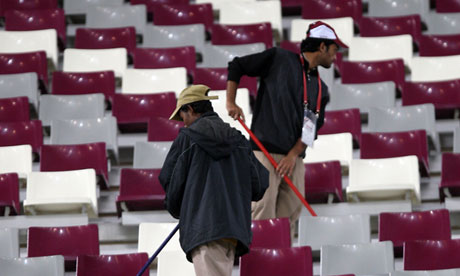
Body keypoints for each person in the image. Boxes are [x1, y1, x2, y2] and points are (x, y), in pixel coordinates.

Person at [226, 21, 348, 235]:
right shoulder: (278, 58)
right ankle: (259, 262)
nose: (335, 56)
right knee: (262, 208)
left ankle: (282, 261)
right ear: (322, 47)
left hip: (294, 159)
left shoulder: (321, 89)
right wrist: (231, 102)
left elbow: (310, 130)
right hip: (263, 152)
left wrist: (292, 156)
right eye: (334, 49)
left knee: (291, 212)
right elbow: (237, 66)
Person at [159, 84, 269, 276]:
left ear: (190, 109)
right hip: (233, 231)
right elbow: (259, 184)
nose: (183, 123)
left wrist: (184, 210)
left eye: (182, 116)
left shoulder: (186, 138)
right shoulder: (239, 139)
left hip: (203, 229)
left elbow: (170, 182)